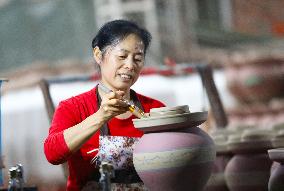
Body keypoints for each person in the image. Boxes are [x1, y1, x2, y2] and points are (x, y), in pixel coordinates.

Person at [44, 19, 165, 191]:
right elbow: (52, 154)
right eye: (122, 56)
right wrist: (101, 116)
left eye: (138, 58)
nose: (130, 65)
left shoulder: (155, 109)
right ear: (98, 55)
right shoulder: (73, 108)